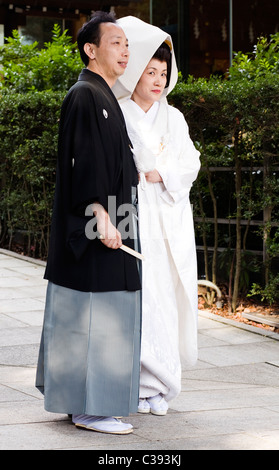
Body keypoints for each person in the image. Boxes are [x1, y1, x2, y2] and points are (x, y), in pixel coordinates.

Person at [35, 12, 142, 435]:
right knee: (95, 311)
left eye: (126, 44)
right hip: (98, 222)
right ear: (91, 49)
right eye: (116, 43)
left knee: (101, 309)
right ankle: (90, 409)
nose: (125, 51)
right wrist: (100, 215)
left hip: (115, 216)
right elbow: (84, 163)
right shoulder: (85, 95)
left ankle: (83, 400)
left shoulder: (104, 96)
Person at [113, 16, 201, 416]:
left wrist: (161, 173)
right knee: (142, 300)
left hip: (169, 217)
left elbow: (191, 163)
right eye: (150, 71)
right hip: (137, 216)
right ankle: (141, 382)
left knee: (169, 298)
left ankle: (163, 384)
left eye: (163, 73)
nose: (157, 80)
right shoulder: (119, 112)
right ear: (134, 72)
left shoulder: (175, 117)